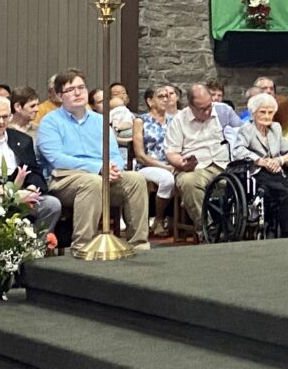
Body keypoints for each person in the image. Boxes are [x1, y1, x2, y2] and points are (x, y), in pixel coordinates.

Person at [36, 69, 149, 253]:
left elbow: (114, 153)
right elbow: (56, 158)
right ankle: (82, 246)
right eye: (71, 89)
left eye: (81, 87)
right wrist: (98, 168)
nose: (78, 93)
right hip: (65, 178)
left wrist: (114, 168)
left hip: (103, 174)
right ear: (59, 95)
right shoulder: (50, 122)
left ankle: (139, 245)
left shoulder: (100, 120)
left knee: (136, 180)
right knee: (92, 182)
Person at [233, 93, 288, 237]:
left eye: (270, 112)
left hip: (277, 171)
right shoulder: (247, 129)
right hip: (257, 174)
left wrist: (280, 160)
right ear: (253, 113)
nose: (267, 116)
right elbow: (238, 150)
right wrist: (261, 161)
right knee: (285, 193)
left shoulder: (275, 128)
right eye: (262, 112)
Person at [164, 84, 231, 237]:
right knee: (189, 182)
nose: (207, 111)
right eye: (202, 109)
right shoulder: (179, 120)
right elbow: (171, 153)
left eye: (209, 106)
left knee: (246, 179)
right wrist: (182, 163)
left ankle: (238, 225)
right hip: (196, 168)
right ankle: (208, 229)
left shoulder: (223, 113)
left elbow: (241, 134)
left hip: (223, 164)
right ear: (191, 106)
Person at [0, 95, 60, 234]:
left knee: (51, 204)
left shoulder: (23, 140)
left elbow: (35, 171)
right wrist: (1, 191)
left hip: (22, 194)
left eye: (5, 117)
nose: (1, 122)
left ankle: (33, 249)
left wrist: (31, 189)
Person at [132, 86, 177, 237]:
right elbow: (140, 154)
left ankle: (178, 220)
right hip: (148, 165)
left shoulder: (174, 120)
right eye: (161, 97)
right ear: (150, 101)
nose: (166, 99)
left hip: (173, 162)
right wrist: (164, 166)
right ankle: (159, 219)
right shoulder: (141, 121)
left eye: (167, 96)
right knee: (167, 180)